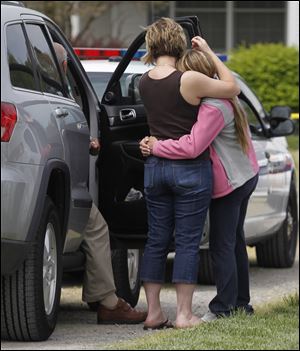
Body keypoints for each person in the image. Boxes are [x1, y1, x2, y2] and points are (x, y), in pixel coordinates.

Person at [140, 47, 259, 322]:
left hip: (231, 183)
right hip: (244, 176)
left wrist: (157, 146)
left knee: (221, 244)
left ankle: (225, 308)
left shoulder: (212, 107)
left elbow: (192, 146)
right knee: (234, 241)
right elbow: (232, 85)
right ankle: (241, 303)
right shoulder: (224, 100)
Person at [53, 42, 147, 325]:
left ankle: (104, 298)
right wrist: (91, 143)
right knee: (95, 227)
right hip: (62, 183)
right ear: (65, 65)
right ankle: (107, 302)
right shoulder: (55, 90)